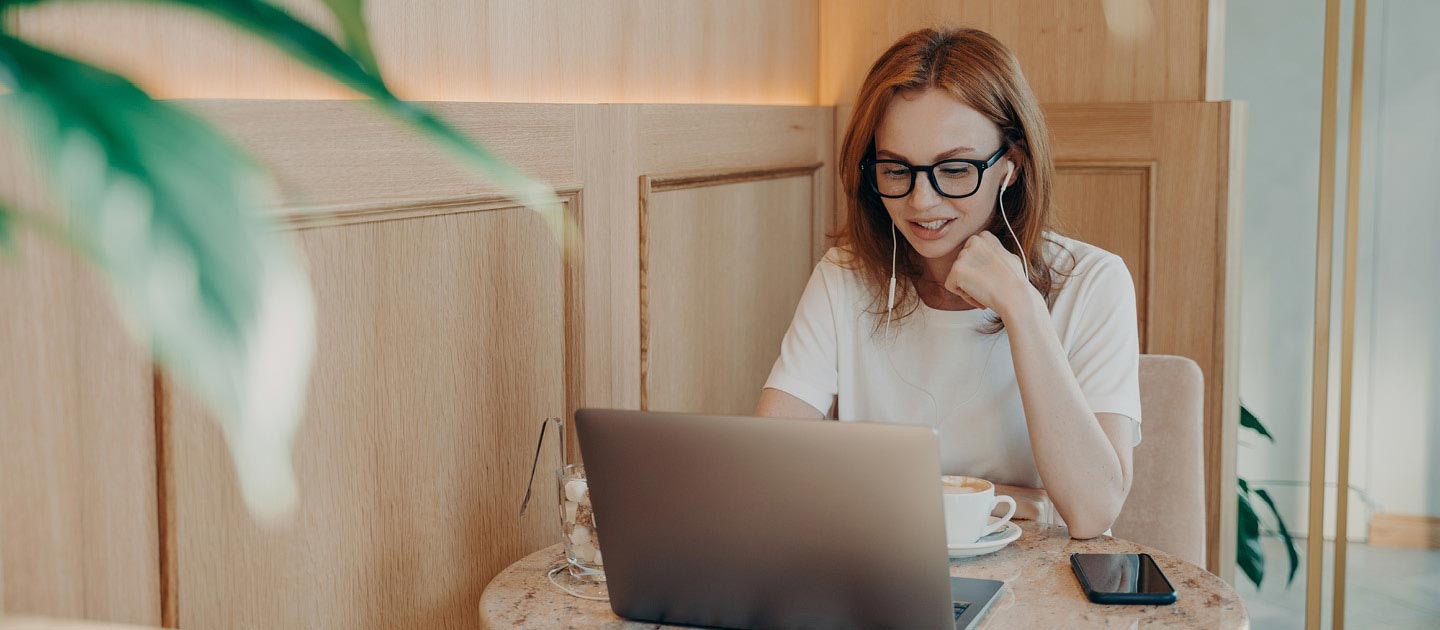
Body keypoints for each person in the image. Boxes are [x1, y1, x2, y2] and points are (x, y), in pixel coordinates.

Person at [755, 27, 1141, 539]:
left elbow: (1093, 511)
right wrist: (1007, 500)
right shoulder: (844, 276)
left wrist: (1022, 308)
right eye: (896, 170)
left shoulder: (1093, 281)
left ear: (1011, 166)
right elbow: (770, 471)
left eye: (955, 169)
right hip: (885, 566)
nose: (922, 201)